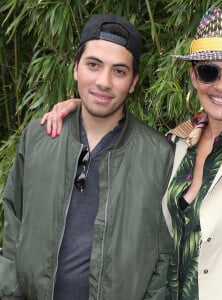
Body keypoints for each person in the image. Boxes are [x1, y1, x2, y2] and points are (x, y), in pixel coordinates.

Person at [42, 7, 222, 300]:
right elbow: (125, 132)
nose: (221, 85)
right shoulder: (175, 145)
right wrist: (81, 106)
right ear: (193, 76)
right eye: (208, 71)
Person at [0, 14, 175, 300]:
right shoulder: (38, 138)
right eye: (93, 65)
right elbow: (13, 228)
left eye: (119, 71)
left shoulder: (159, 155)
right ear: (75, 69)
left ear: (133, 82)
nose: (104, 82)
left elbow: (164, 258)